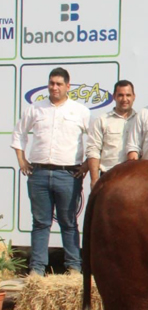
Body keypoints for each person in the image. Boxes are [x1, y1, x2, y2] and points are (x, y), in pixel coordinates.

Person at [10, 67, 90, 276]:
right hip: (39, 174)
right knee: (40, 223)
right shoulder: (35, 109)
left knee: (69, 223)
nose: (54, 87)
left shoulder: (80, 111)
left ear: (68, 86)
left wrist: (86, 165)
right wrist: (21, 160)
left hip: (68, 175)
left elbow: (94, 140)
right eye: (52, 83)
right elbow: (19, 134)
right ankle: (37, 270)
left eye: (59, 84)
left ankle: (74, 267)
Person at [86, 80, 136, 189]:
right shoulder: (102, 120)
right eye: (120, 95)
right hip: (108, 177)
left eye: (128, 95)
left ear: (134, 97)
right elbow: (93, 150)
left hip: (134, 178)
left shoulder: (140, 120)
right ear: (114, 97)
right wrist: (94, 179)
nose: (124, 99)